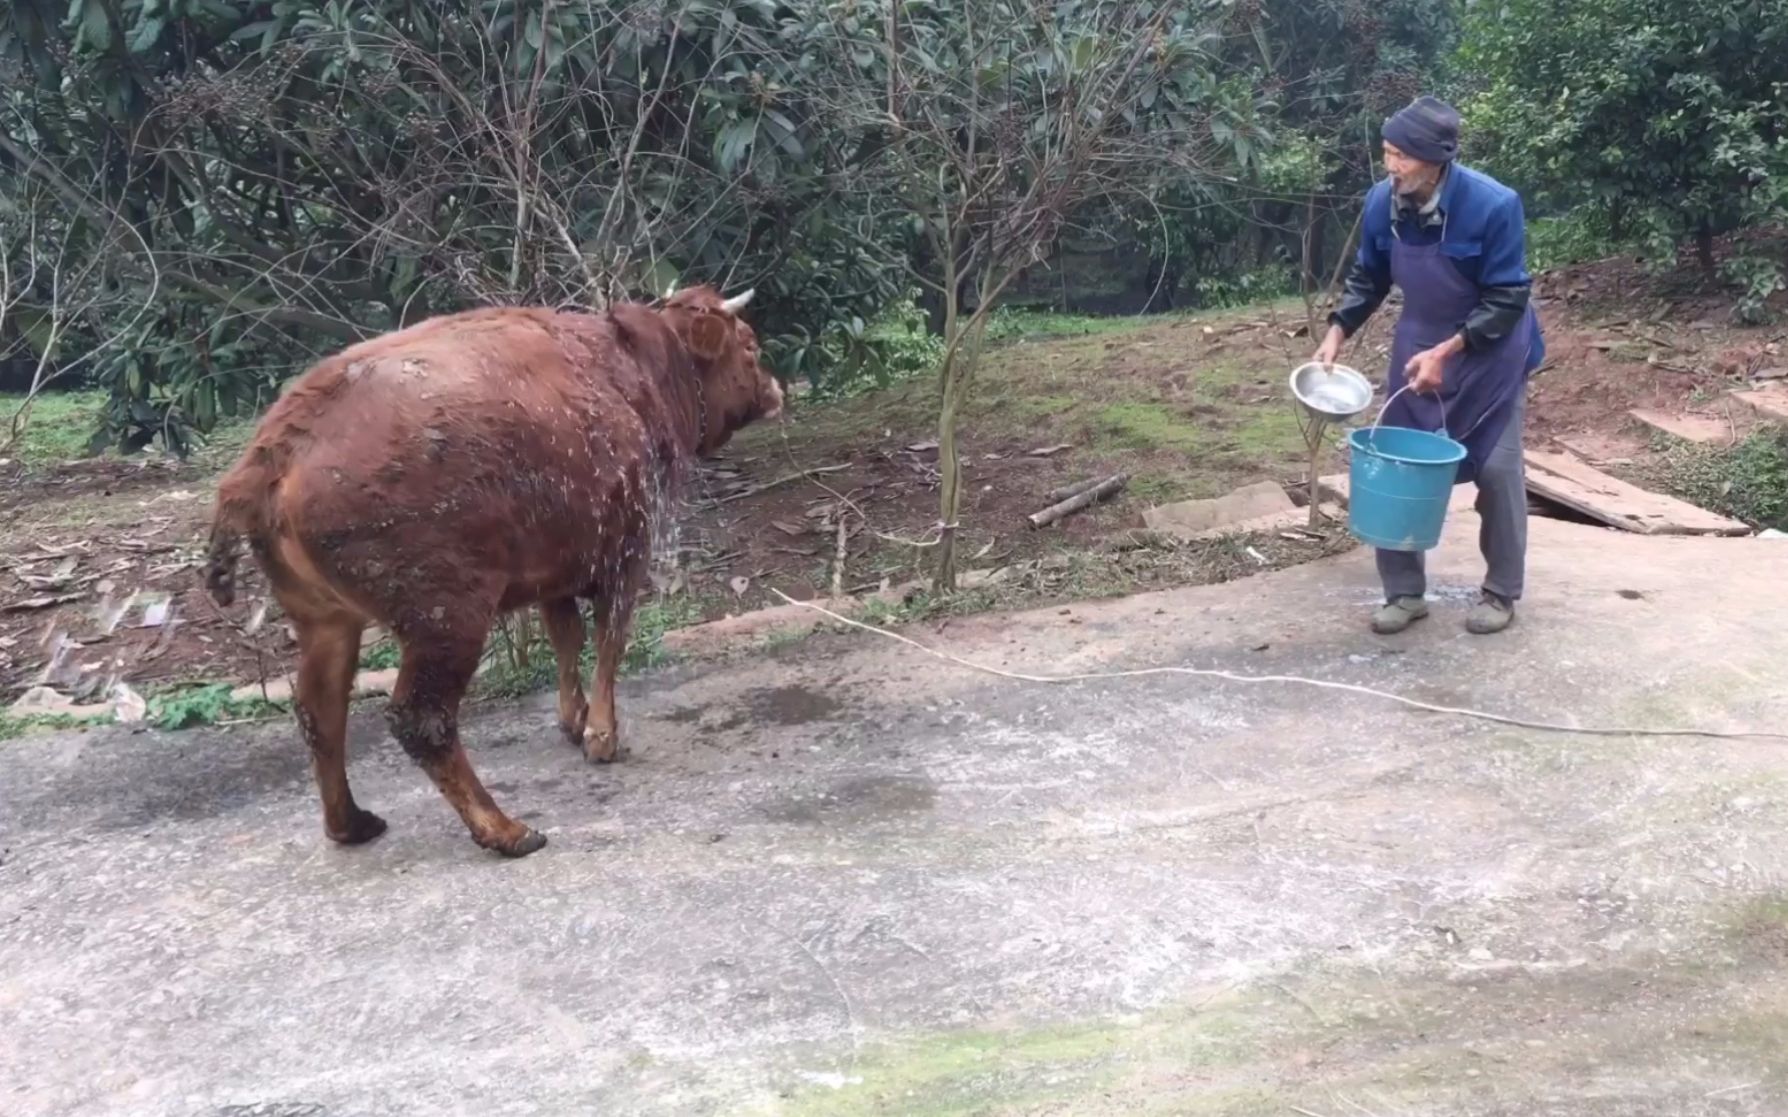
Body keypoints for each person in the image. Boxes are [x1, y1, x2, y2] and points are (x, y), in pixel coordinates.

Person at [1314, 95, 1545, 636]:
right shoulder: (1381, 202)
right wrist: (1337, 330)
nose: (1391, 166)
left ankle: (1500, 592)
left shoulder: (1493, 204)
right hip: (1419, 342)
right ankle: (1404, 592)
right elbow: (1369, 277)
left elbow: (1508, 296)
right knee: (1393, 465)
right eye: (1387, 153)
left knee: (1496, 468)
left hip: (1491, 351)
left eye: (1402, 156)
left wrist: (1450, 351)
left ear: (1436, 158)